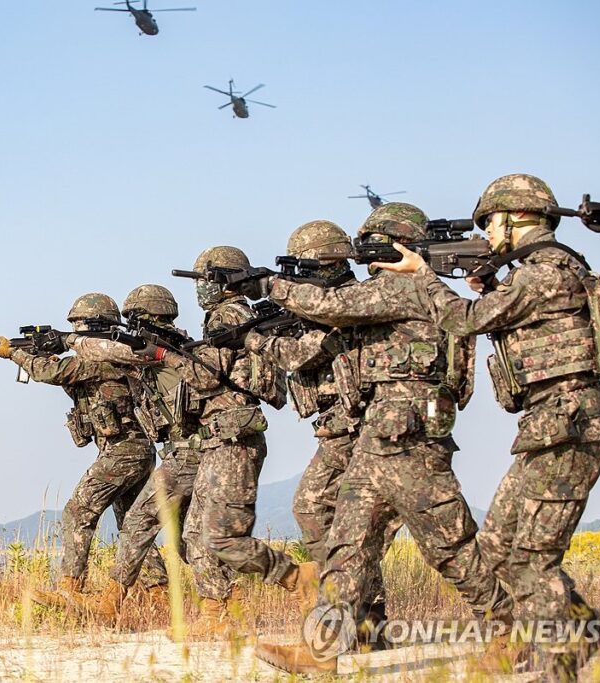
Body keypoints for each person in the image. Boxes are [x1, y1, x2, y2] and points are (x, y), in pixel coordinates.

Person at [254, 204, 512, 674]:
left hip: (411, 434)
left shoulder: (408, 286)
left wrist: (268, 286)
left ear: (400, 244)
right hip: (380, 433)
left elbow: (333, 306)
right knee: (348, 543)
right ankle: (321, 650)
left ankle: (510, 629)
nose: (365, 254)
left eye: (374, 242)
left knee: (450, 544)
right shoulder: (396, 290)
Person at [376, 174, 600, 680]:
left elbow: (465, 321)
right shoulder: (536, 274)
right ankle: (585, 633)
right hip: (549, 425)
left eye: (491, 222)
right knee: (498, 549)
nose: (486, 233)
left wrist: (422, 277)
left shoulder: (546, 271)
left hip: (567, 424)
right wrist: (492, 286)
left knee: (530, 557)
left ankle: (561, 664)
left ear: (517, 217)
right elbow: (517, 316)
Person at [146, 246, 316, 639]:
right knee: (195, 534)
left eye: (204, 280)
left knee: (221, 534)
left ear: (222, 282)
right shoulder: (227, 318)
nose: (200, 290)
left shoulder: (229, 317)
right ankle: (216, 612)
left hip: (235, 438)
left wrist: (161, 356)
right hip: (218, 439)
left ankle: (296, 577)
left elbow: (205, 377)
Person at [245, 220, 398, 629]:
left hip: (358, 424)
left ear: (328, 262)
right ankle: (364, 616)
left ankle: (351, 613)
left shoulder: (348, 301)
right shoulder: (327, 303)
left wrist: (257, 341)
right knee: (328, 515)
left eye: (306, 267)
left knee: (326, 512)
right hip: (340, 425)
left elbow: (301, 355)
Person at [0, 293, 167, 607]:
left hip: (124, 451)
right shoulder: (109, 357)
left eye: (78, 325)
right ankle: (159, 594)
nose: (75, 331)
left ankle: (71, 587)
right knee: (132, 524)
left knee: (78, 511)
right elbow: (66, 374)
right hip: (131, 450)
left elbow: (53, 373)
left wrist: (14, 354)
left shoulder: (103, 356)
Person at [65, 284, 202, 625]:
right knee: (185, 541)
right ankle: (159, 597)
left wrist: (61, 344)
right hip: (176, 450)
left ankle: (93, 595)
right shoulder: (164, 347)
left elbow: (74, 364)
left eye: (136, 318)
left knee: (119, 518)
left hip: (183, 452)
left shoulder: (155, 348)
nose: (131, 326)